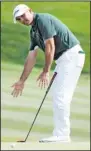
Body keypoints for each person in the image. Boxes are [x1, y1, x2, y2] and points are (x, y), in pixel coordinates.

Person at [12, 4, 85, 142]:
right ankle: (61, 133)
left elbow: (50, 46)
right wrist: (22, 81)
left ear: (30, 11)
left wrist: (46, 71)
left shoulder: (42, 20)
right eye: (19, 18)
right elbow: (31, 58)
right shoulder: (33, 31)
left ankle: (62, 135)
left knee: (61, 96)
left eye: (23, 15)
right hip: (64, 59)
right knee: (58, 95)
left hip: (71, 56)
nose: (22, 19)